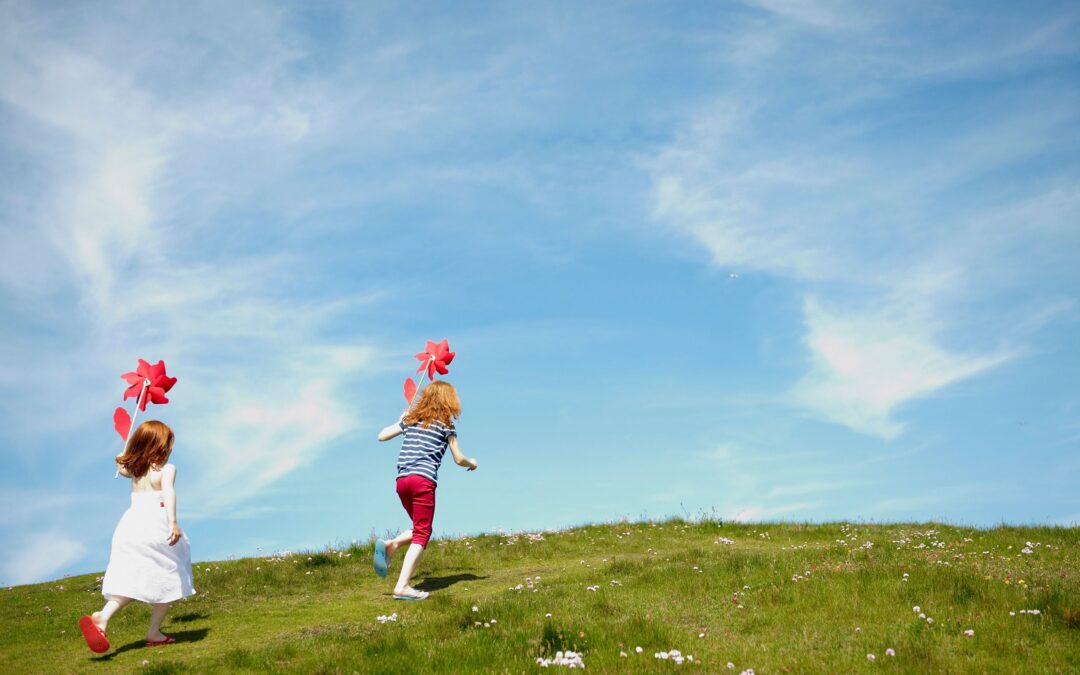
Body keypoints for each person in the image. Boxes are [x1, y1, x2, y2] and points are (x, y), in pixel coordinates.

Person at [78, 420, 195, 653]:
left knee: (134, 577)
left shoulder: (135, 470)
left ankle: (103, 617)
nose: (171, 447)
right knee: (172, 574)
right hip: (156, 525)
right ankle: (153, 631)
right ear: (159, 444)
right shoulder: (167, 470)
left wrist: (120, 457)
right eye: (169, 442)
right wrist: (173, 522)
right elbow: (169, 493)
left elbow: (121, 467)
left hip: (131, 527)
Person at [374, 380, 477, 600]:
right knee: (422, 533)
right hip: (423, 481)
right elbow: (459, 458)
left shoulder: (411, 420)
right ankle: (402, 586)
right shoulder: (446, 424)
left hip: (402, 481)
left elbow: (381, 436)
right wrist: (473, 463)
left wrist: (400, 420)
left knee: (421, 527)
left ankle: (392, 545)